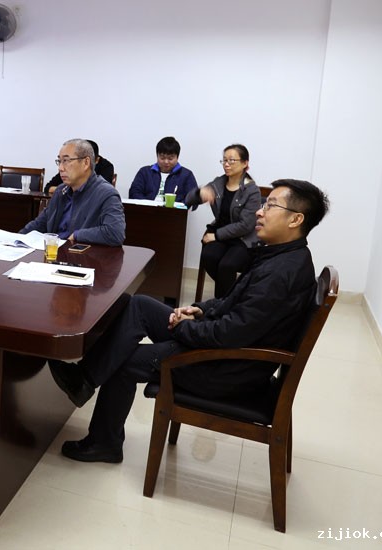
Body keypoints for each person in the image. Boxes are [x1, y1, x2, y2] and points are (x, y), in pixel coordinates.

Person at [48, 179, 329, 464]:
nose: (260, 211)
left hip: (225, 367)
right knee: (139, 305)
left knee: (125, 360)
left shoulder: (281, 273)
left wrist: (186, 328)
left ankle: (104, 443)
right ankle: (84, 378)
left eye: (270, 206)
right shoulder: (282, 256)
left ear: (296, 219)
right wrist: (198, 310)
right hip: (228, 351)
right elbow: (233, 303)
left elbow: (231, 333)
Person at [184, 144, 261, 298]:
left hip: (242, 239)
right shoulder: (218, 183)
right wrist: (200, 193)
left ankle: (222, 303)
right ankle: (231, 297)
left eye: (232, 160)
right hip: (221, 234)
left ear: (245, 163)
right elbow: (188, 200)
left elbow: (246, 225)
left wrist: (216, 236)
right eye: (224, 160)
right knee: (209, 257)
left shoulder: (252, 191)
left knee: (227, 265)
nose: (226, 164)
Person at [19, 139, 125, 246]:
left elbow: (115, 233)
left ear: (86, 163)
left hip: (80, 254)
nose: (60, 168)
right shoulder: (61, 191)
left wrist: (77, 235)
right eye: (59, 161)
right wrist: (18, 238)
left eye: (66, 161)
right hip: (54, 252)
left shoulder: (106, 194)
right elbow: (41, 223)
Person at [127, 136, 198, 201]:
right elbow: (134, 193)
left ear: (177, 157)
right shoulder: (145, 172)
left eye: (170, 158)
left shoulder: (186, 175)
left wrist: (179, 206)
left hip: (173, 210)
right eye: (162, 158)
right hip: (146, 209)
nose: (166, 162)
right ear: (157, 156)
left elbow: (193, 199)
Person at [44, 139, 115, 195]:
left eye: (66, 160)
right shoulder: (68, 172)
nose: (60, 168)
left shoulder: (106, 167)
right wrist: (67, 190)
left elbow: (102, 190)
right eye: (61, 161)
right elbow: (48, 188)